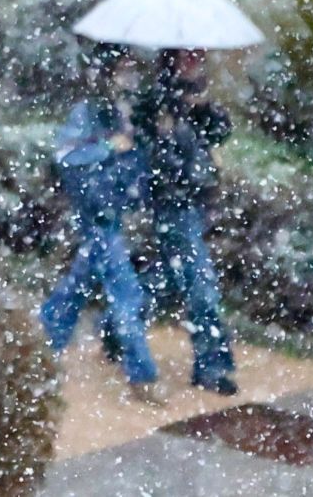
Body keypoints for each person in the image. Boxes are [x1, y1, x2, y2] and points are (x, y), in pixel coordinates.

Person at [38, 44, 162, 402]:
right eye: (122, 69)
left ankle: (44, 343)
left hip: (113, 214)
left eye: (131, 69)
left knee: (76, 286)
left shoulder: (134, 112)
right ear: (107, 73)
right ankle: (141, 377)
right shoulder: (90, 112)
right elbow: (67, 156)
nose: (129, 76)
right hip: (98, 217)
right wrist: (110, 147)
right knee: (127, 293)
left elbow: (138, 166)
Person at [134, 47, 239, 396]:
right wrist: (166, 128)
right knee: (200, 283)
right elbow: (149, 155)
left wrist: (203, 108)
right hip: (172, 206)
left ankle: (119, 325)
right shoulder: (156, 101)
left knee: (167, 275)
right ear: (171, 58)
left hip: (196, 203)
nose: (195, 60)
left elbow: (221, 132)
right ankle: (212, 365)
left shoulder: (198, 94)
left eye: (199, 54)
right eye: (187, 55)